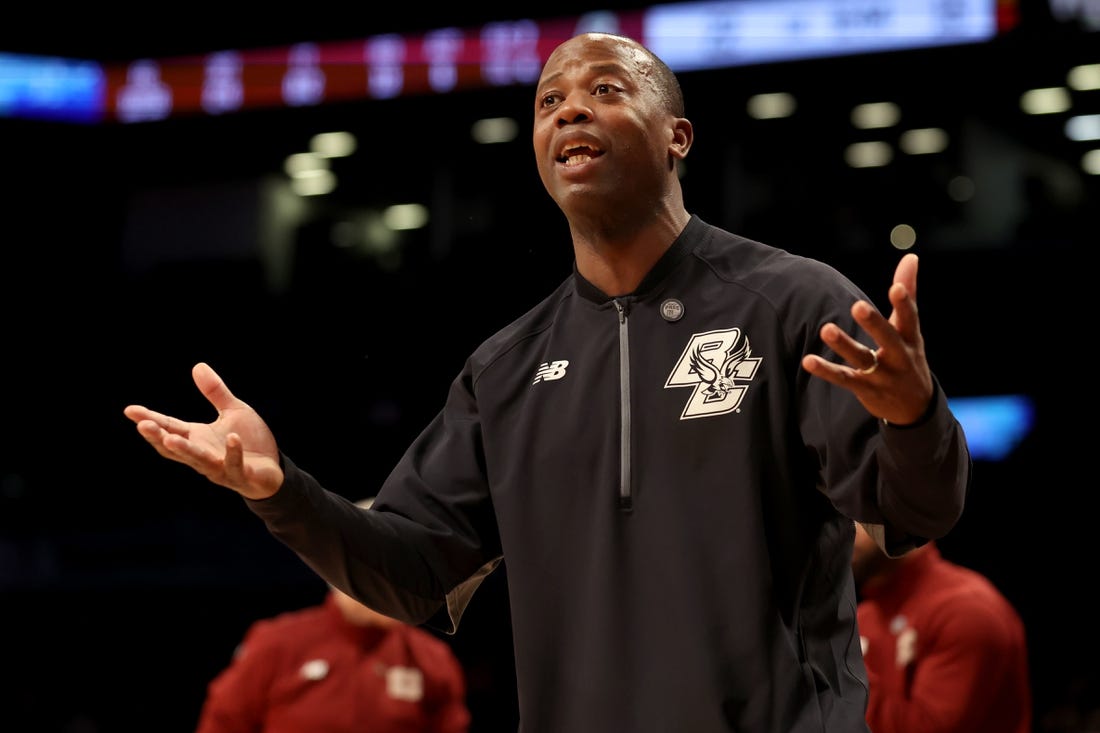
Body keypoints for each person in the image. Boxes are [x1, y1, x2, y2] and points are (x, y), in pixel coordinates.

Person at [125, 32, 972, 733]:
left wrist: (914, 416)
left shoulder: (794, 303)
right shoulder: (505, 369)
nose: (569, 106)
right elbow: (411, 572)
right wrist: (283, 492)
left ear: (677, 136)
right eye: (548, 101)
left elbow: (919, 509)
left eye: (606, 89)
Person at [194, 501, 472, 733]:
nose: (400, 585)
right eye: (387, 571)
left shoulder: (432, 659)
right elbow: (223, 722)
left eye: (408, 572)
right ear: (342, 569)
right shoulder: (277, 642)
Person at [852, 522, 1031, 733]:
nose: (842, 529)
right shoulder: (864, 616)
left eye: (854, 515)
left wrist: (838, 669)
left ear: (899, 510)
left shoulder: (967, 612)